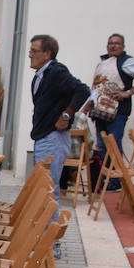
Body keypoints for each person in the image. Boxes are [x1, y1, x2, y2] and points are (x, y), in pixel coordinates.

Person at [77, 33, 134, 191]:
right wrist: (87, 105)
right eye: (110, 43)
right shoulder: (102, 62)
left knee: (114, 144)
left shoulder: (126, 62)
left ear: (123, 46)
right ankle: (108, 177)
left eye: (117, 43)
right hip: (99, 111)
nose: (113, 45)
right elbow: (97, 88)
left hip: (117, 112)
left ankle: (116, 179)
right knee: (103, 146)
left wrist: (129, 92)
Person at [28, 34, 89, 213]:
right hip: (43, 136)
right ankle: (43, 233)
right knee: (42, 188)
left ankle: (51, 239)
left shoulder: (56, 71)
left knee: (48, 188)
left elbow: (82, 90)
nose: (30, 54)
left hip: (53, 139)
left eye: (34, 51)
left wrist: (66, 115)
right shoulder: (41, 75)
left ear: (47, 54)